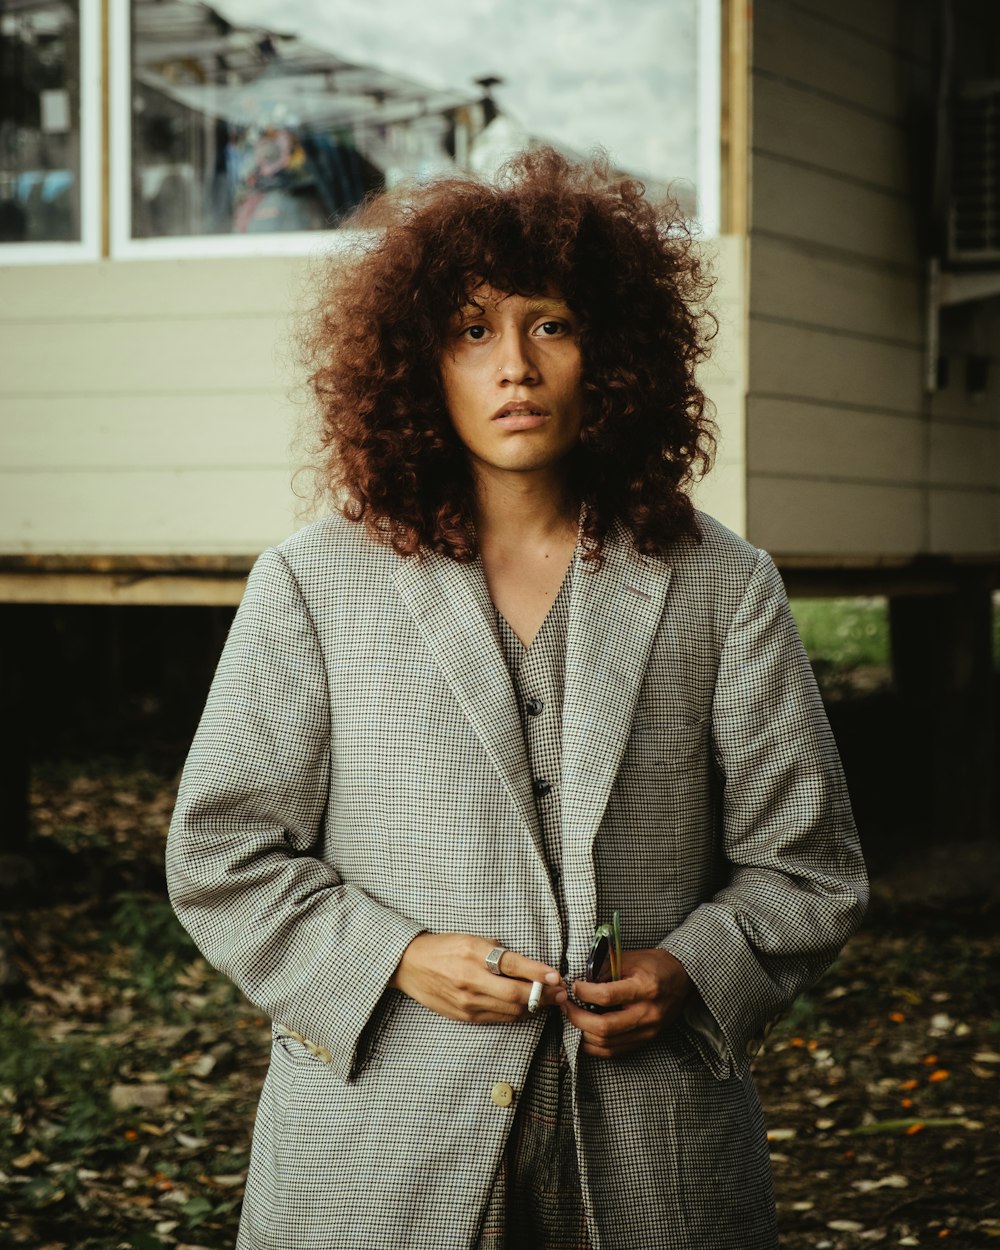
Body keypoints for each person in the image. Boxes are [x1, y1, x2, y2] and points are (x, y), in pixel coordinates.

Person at [166, 149, 868, 1250]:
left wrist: (691, 967)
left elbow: (808, 868)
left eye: (551, 325)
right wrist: (394, 957)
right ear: (415, 360)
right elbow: (222, 856)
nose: (514, 367)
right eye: (470, 329)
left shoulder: (723, 585)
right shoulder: (313, 582)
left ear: (615, 352)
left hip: (651, 1160)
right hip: (381, 1144)